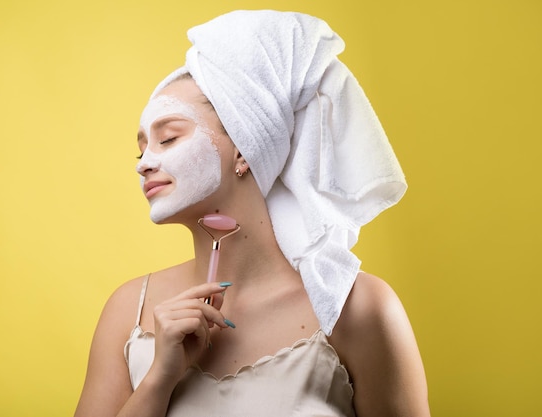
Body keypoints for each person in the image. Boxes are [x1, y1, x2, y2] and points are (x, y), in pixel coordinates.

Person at [74, 10, 430, 417]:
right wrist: (159, 379)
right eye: (141, 149)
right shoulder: (129, 311)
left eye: (169, 138)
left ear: (244, 148)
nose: (144, 163)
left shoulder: (358, 308)